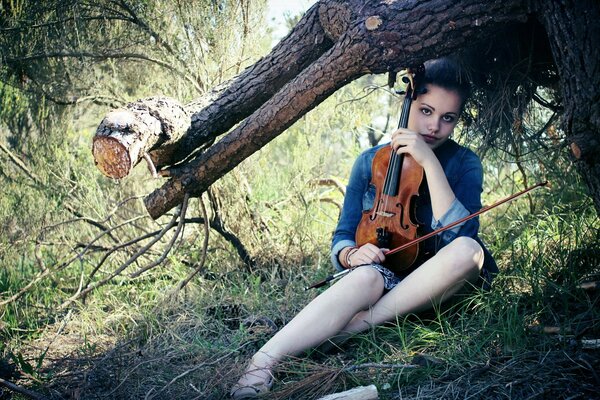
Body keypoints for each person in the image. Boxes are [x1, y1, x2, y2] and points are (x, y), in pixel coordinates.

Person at [230, 57, 497, 399]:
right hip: (385, 281)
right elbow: (342, 235)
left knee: (468, 251)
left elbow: (460, 236)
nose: (434, 127)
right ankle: (261, 363)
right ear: (408, 102)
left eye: (448, 118)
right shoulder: (370, 162)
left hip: (438, 285)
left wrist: (429, 162)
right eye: (426, 111)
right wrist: (352, 254)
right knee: (366, 275)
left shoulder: (464, 163)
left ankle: (354, 327)